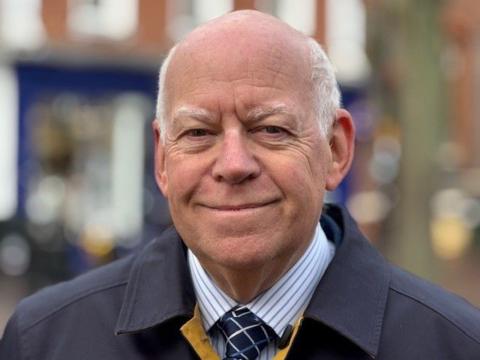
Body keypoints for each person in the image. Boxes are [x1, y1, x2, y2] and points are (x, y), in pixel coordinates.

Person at [1, 10, 479, 360]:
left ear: (336, 150)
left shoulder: (453, 344)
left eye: (270, 129)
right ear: (162, 160)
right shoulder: (47, 340)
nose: (233, 164)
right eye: (198, 133)